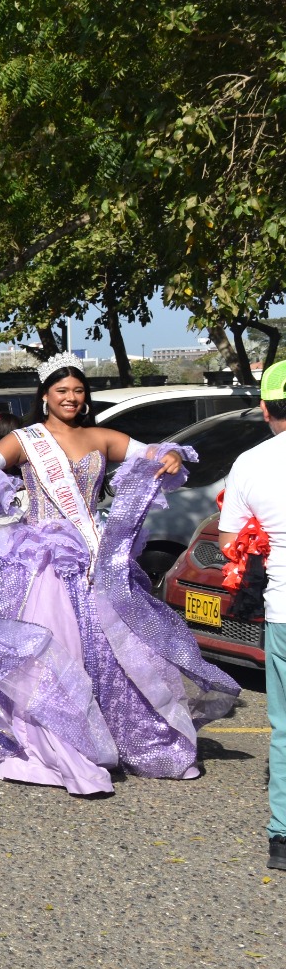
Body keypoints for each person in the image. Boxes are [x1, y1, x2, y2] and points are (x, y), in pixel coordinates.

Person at [0, 353, 240, 794]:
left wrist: (172, 456)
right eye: (62, 390)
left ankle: (116, 735)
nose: (71, 398)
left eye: (78, 391)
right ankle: (59, 747)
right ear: (45, 396)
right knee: (52, 651)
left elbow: (155, 452)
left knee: (112, 651)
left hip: (93, 556)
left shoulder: (101, 436)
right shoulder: (26, 439)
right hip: (43, 561)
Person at [215, 361, 286, 872]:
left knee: (284, 729)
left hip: (283, 610)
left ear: (264, 408)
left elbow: (229, 543)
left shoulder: (251, 463)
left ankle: (282, 836)